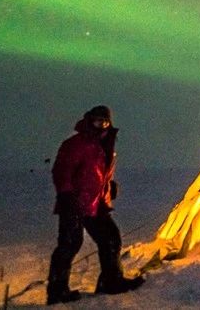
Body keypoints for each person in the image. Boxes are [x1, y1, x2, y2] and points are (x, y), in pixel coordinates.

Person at [46, 105, 144, 305]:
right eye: (99, 121)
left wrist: (109, 187)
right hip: (74, 202)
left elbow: (98, 174)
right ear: (90, 121)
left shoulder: (103, 145)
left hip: (95, 203)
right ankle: (57, 291)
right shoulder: (76, 144)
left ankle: (112, 281)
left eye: (106, 122)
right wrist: (65, 195)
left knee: (110, 238)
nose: (103, 125)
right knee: (69, 244)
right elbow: (62, 171)